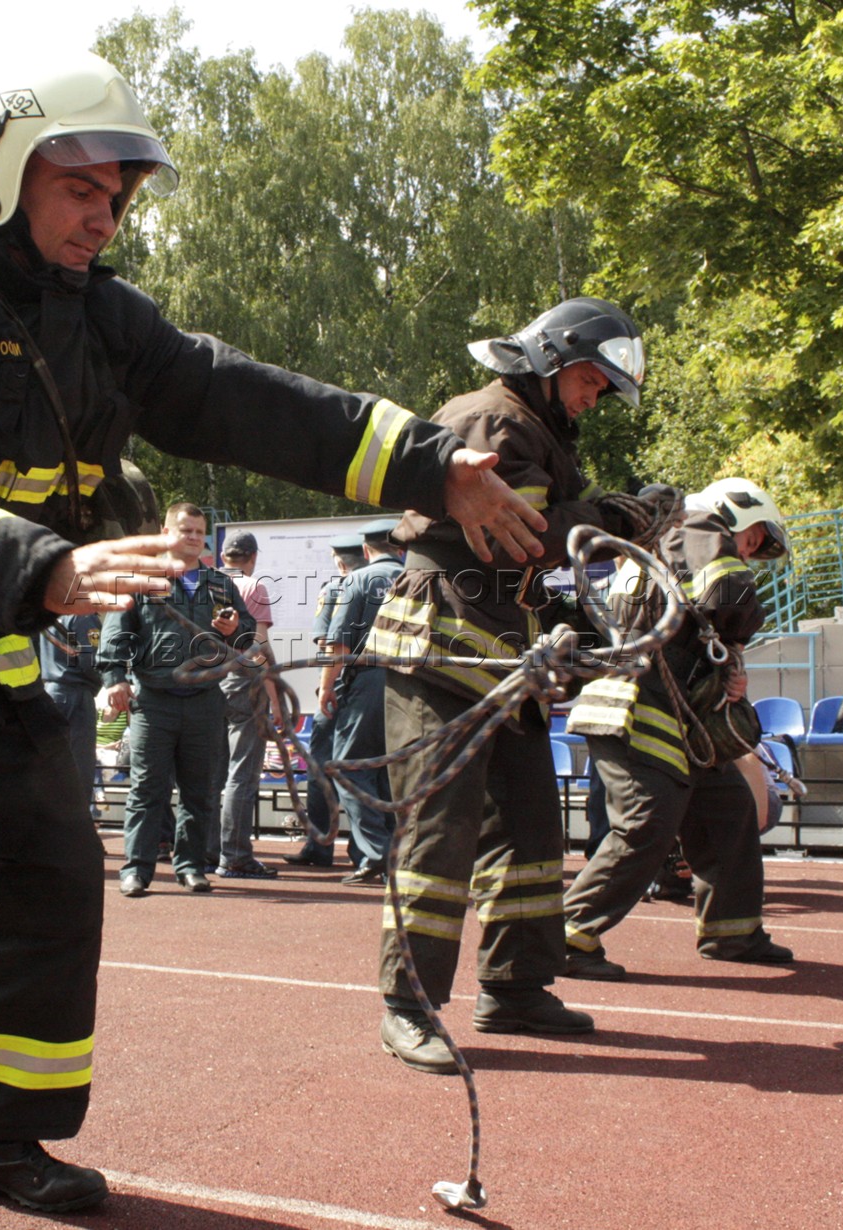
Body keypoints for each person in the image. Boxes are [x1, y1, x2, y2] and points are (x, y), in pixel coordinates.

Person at [0, 53, 548, 1228]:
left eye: (121, 194)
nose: (106, 212)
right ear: (2, 168)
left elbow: (249, 398)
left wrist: (436, 463)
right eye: (82, 184)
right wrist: (44, 566)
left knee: (55, 876)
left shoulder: (104, 319)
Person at [367, 298, 650, 1072]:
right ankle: (408, 1005)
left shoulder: (530, 424)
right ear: (554, 362)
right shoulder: (494, 420)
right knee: (440, 828)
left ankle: (516, 985)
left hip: (499, 647)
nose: (595, 401)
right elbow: (519, 529)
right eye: (592, 383)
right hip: (443, 646)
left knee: (527, 827)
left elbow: (540, 547)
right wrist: (612, 519)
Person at [561, 477, 795, 979]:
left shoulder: (669, 547)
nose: (747, 553)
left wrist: (727, 668)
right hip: (639, 708)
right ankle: (567, 933)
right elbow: (728, 600)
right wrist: (733, 638)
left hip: (677, 715)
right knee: (647, 821)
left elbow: (699, 623)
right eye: (751, 538)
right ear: (731, 513)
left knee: (728, 813)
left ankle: (732, 932)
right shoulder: (695, 526)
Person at [98, 502, 256, 896]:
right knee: (147, 790)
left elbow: (245, 637)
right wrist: (115, 678)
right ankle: (136, 869)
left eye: (199, 533)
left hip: (205, 700)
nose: (193, 538)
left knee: (199, 791)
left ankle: (190, 866)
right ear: (167, 532)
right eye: (185, 530)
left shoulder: (220, 584)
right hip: (154, 701)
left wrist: (236, 628)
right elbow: (116, 633)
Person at [318, 520, 405, 885]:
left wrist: (326, 687)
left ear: (366, 550)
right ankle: (392, 856)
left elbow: (337, 644)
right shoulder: (419, 578)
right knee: (386, 772)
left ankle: (376, 854)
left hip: (366, 680)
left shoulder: (357, 580)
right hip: (411, 685)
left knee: (349, 768)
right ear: (400, 548)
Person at [284, 535, 366, 868]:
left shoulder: (337, 589)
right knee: (372, 768)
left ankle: (320, 846)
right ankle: (368, 854)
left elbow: (328, 644)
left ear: (338, 561)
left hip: (342, 689)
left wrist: (324, 688)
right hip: (383, 692)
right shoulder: (392, 583)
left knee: (320, 767)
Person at [213, 530, 282, 878]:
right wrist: (276, 699)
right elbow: (259, 648)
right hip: (244, 684)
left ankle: (207, 849)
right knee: (242, 771)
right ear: (253, 556)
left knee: (213, 772)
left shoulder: (206, 584)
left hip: (208, 686)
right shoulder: (254, 587)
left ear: (223, 555)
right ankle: (235, 855)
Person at [39, 613, 104, 818]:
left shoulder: (51, 613)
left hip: (51, 691)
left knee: (53, 769)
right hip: (75, 695)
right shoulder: (83, 616)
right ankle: (78, 830)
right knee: (79, 769)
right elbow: (91, 659)